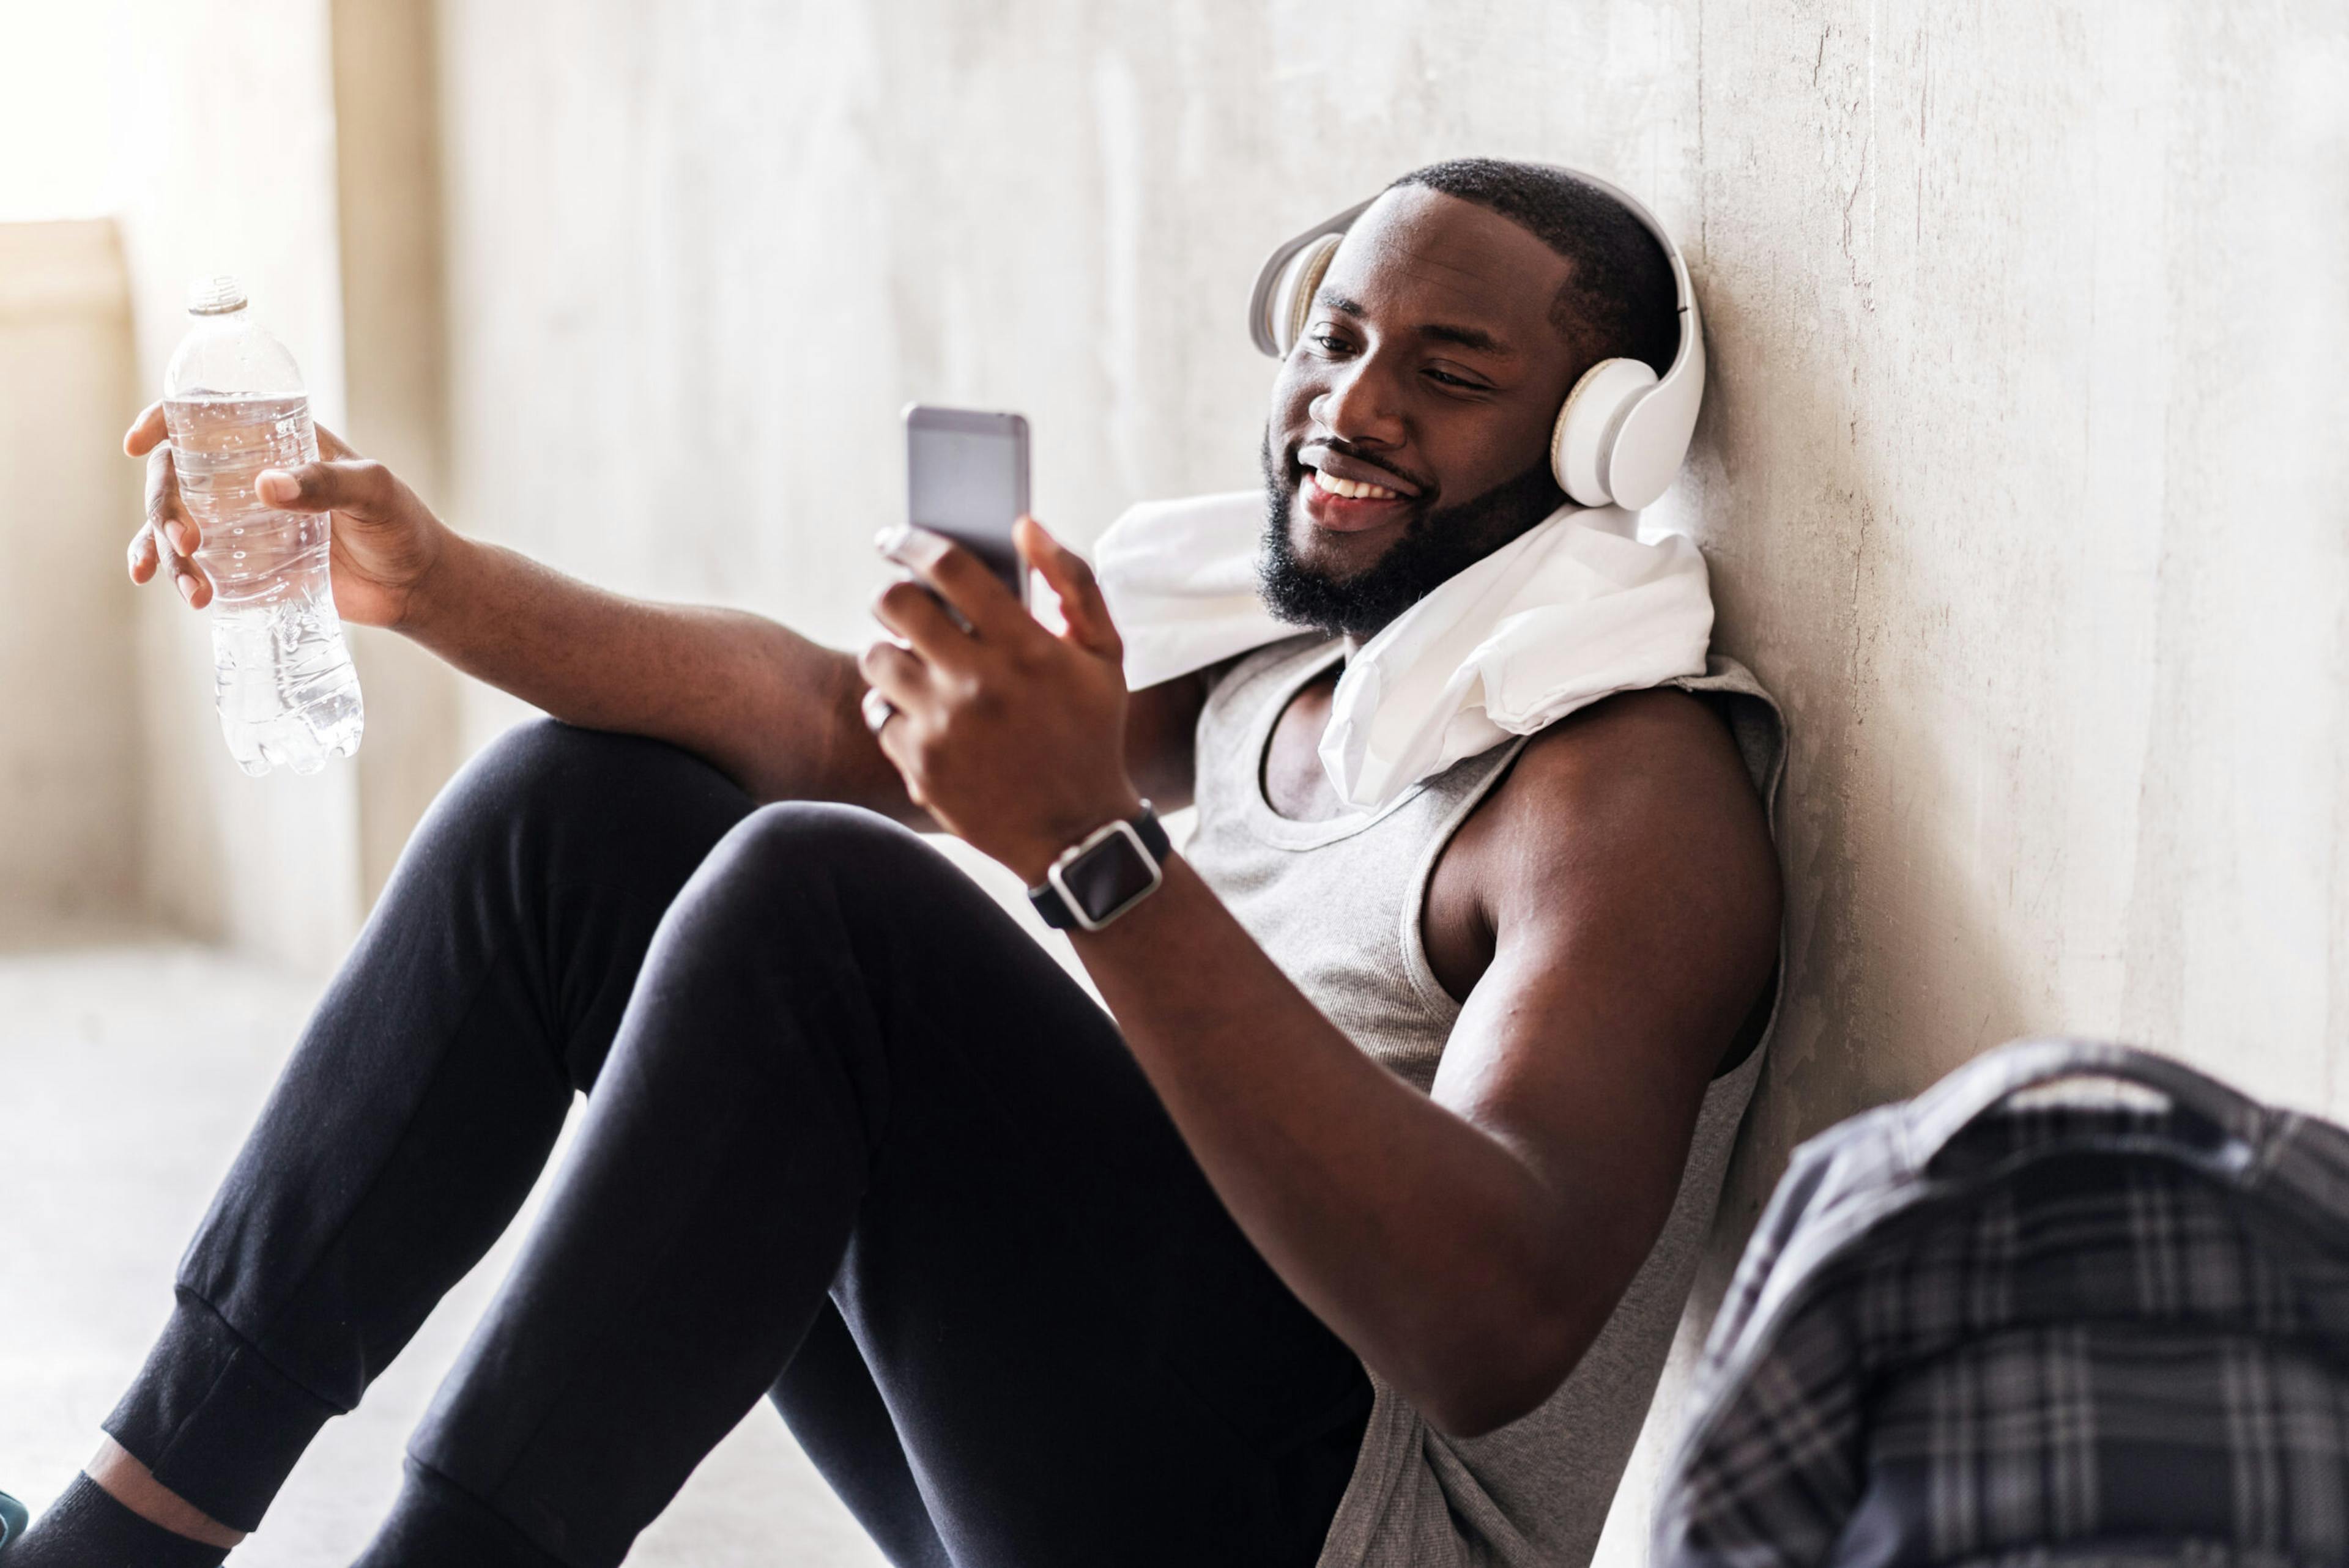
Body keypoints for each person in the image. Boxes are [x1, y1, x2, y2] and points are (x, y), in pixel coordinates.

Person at [17, 158, 1781, 1568]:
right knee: (582, 821)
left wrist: (1094, 848)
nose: (1355, 403)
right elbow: (832, 730)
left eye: (1449, 373)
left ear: (1597, 439)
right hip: (1091, 1447)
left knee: (823, 913)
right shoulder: (1282, 663)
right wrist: (436, 585)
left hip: (1330, 1524)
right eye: (1334, 338)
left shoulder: (1624, 793)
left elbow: (1493, 1326)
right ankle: (120, 1539)